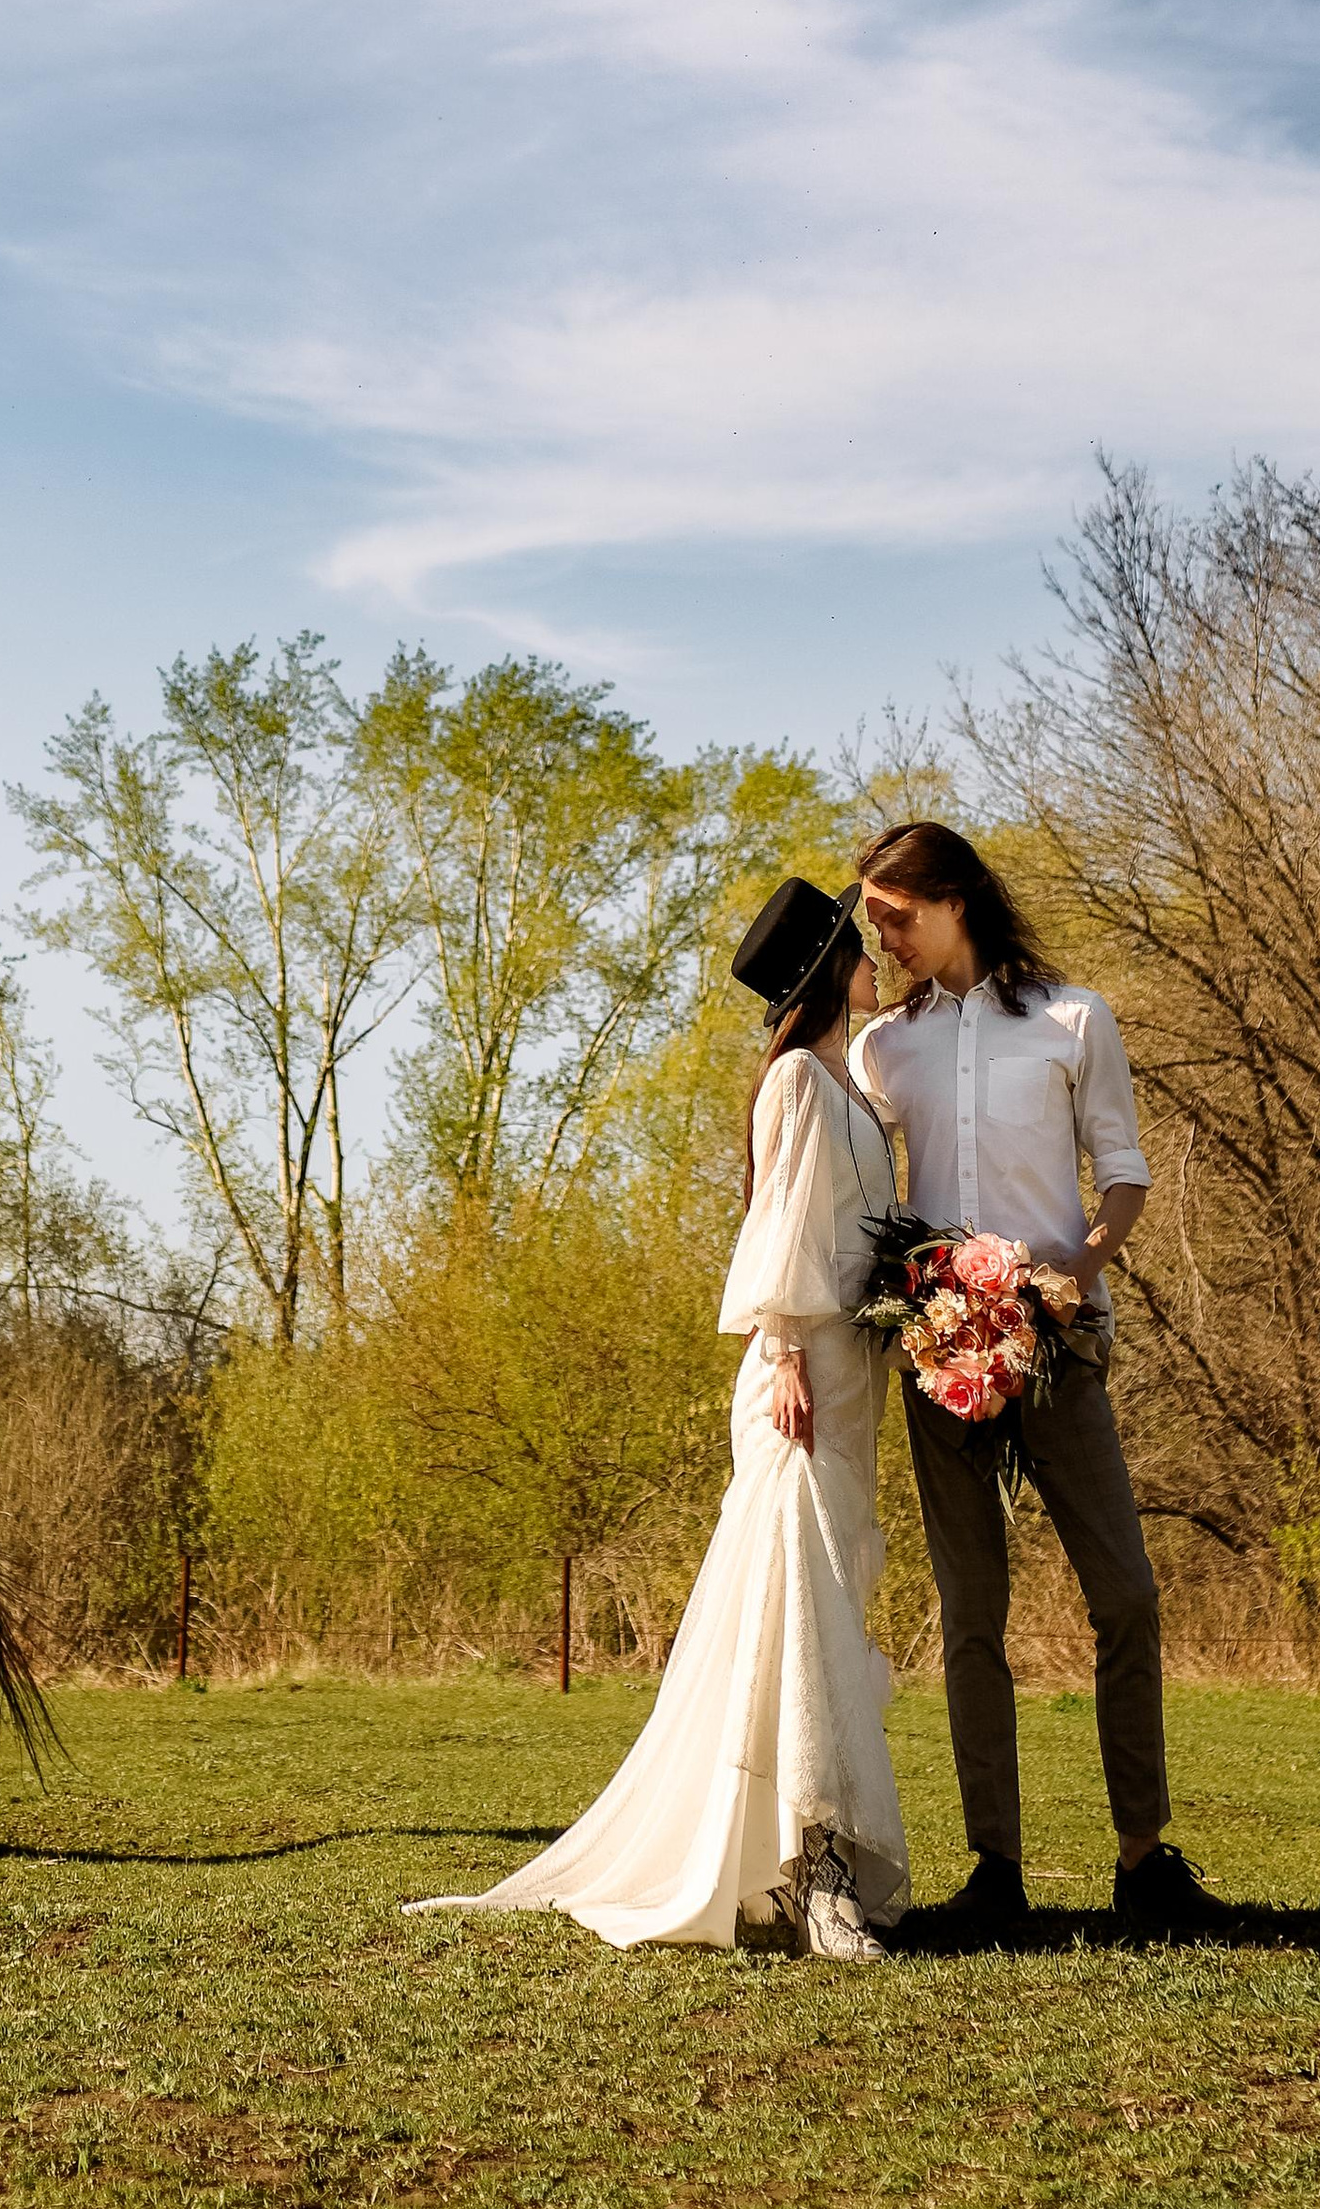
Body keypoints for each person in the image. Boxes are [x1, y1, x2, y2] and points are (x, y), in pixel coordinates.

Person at [410, 875, 908, 1961]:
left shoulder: (854, 1087)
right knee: (800, 1610)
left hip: (850, 1373)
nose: (879, 960)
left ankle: (789, 1867)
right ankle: (815, 1874)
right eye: (861, 947)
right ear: (828, 967)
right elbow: (776, 1224)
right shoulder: (793, 1085)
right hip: (800, 1376)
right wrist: (779, 1347)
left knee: (824, 1603)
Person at [850, 820, 1224, 1946]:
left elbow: (1122, 1173)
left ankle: (1144, 1860)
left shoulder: (1074, 1017)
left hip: (1061, 1346)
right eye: (872, 921)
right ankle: (993, 1872)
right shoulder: (883, 1051)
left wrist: (1078, 1266)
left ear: (954, 897)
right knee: (971, 1613)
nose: (883, 938)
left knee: (1127, 1597)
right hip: (940, 1356)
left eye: (894, 916)